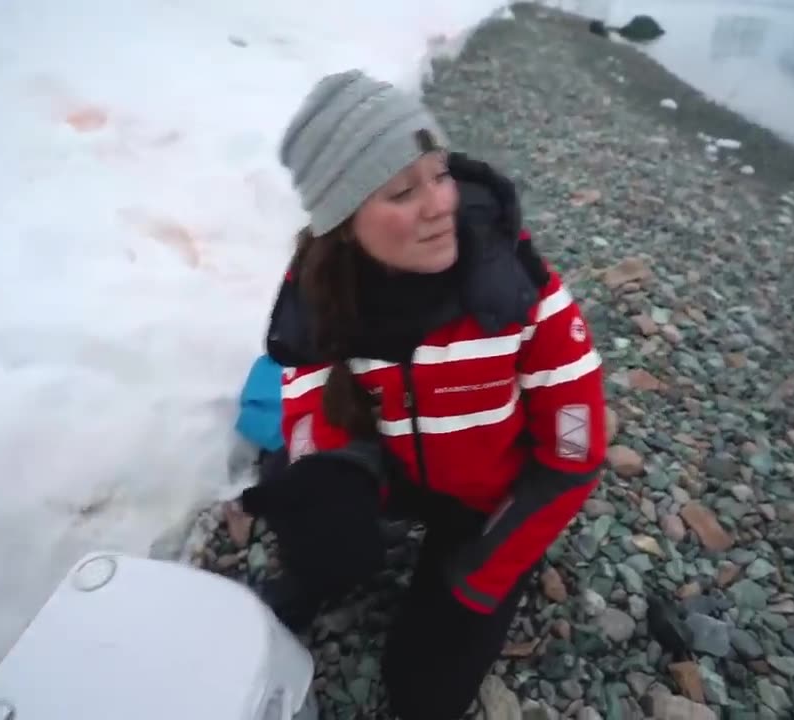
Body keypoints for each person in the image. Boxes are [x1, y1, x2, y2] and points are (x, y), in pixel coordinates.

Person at [238, 69, 608, 720]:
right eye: (403, 191)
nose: (441, 205)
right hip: (395, 470)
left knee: (422, 695)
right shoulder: (326, 290)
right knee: (308, 502)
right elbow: (306, 388)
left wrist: (485, 570)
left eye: (440, 174)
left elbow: (572, 454)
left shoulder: (519, 289)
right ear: (345, 222)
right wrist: (328, 472)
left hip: (484, 497)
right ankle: (321, 567)